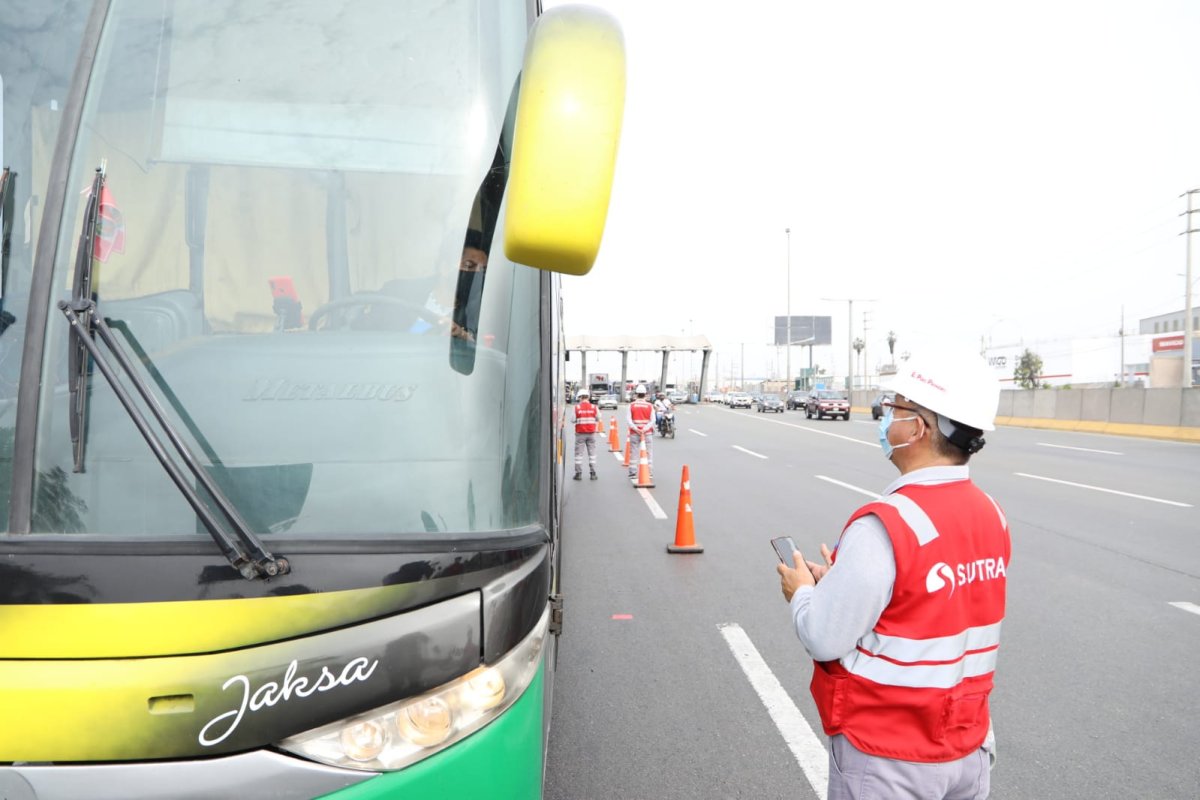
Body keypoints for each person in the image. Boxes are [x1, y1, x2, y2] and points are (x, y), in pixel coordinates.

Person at [776, 348, 1008, 800]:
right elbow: (931, 605)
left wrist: (804, 591)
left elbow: (823, 636)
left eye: (894, 407)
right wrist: (841, 585)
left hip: (889, 758)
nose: (886, 417)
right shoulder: (992, 514)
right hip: (968, 747)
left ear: (917, 428)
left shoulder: (885, 524)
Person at [626, 384, 655, 481]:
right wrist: (644, 429)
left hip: (634, 433)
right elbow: (652, 420)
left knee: (634, 452)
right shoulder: (650, 406)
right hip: (647, 433)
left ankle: (633, 473)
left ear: (636, 394)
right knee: (649, 453)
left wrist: (637, 429)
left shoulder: (631, 405)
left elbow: (629, 420)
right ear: (645, 394)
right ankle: (649, 473)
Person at [572, 388, 600, 481]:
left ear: (580, 397)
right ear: (588, 397)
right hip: (591, 433)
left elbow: (572, 420)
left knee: (578, 454)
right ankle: (593, 473)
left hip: (580, 434)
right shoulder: (594, 407)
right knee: (592, 454)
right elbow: (598, 418)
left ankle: (578, 474)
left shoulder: (577, 407)